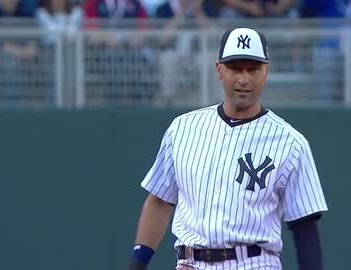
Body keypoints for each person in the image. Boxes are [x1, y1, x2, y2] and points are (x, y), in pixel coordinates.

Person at [128, 27, 328, 270]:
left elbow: (304, 224)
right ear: (219, 69)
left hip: (254, 263)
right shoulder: (182, 129)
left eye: (252, 69)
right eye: (235, 68)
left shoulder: (290, 142)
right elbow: (160, 201)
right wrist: (137, 264)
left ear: (266, 71)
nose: (243, 78)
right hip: (190, 263)